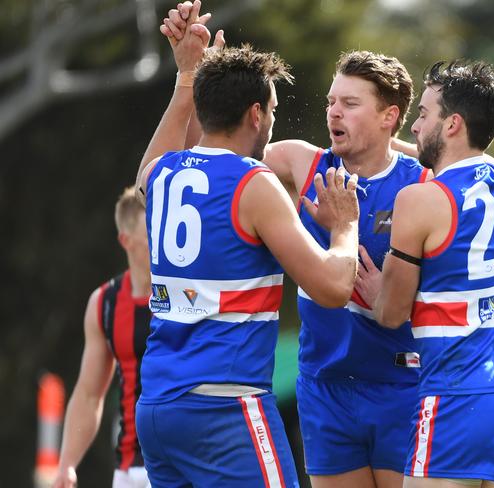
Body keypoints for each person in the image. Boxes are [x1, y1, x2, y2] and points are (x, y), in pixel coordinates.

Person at [162, 5, 429, 486]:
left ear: (390, 115)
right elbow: (211, 149)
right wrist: (209, 81)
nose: (332, 111)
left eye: (350, 103)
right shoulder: (299, 162)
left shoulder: (424, 184)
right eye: (331, 101)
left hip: (400, 384)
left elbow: (473, 175)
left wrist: (394, 296)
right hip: (324, 386)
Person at [134, 5, 360, 487]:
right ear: (255, 113)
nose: (274, 121)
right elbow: (332, 287)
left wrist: (187, 77)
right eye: (273, 111)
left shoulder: (160, 175)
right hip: (225, 408)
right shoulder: (254, 183)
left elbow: (149, 168)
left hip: (158, 408)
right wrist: (344, 225)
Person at [355, 60, 494, 487]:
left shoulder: (418, 199)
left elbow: (390, 314)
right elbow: (441, 162)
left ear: (453, 124)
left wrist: (382, 288)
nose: (414, 127)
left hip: (457, 399)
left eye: (422, 114)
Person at [53, 186, 152, 488]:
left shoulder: (187, 293)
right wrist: (66, 465)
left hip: (183, 463)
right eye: (152, 231)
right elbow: (88, 394)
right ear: (127, 241)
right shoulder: (105, 303)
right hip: (129, 470)